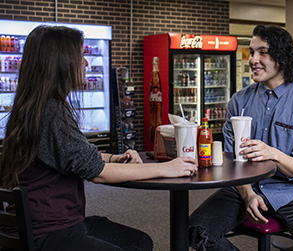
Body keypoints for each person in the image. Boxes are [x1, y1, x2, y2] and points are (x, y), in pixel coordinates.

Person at [0, 25, 197, 251]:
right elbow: (98, 174)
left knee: (140, 242)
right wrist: (167, 168)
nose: (86, 63)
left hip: (42, 226)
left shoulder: (34, 109)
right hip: (47, 233)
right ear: (60, 63)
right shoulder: (51, 113)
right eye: (81, 56)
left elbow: (77, 155)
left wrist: (113, 158)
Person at [189, 25, 293, 250]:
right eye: (251, 52)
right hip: (242, 187)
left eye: (263, 52)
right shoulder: (238, 102)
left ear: (282, 57)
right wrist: (248, 193)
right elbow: (232, 161)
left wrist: (273, 155)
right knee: (195, 232)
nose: (253, 59)